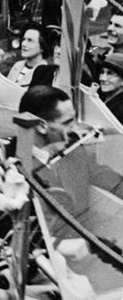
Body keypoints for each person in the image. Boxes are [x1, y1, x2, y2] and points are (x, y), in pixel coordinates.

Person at [18, 85, 123, 230]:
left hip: (85, 242)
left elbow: (115, 183)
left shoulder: (76, 152)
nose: (75, 128)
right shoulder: (11, 163)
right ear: (41, 126)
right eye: (67, 122)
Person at [6, 23, 58, 87]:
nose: (24, 44)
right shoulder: (17, 65)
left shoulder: (46, 73)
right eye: (24, 39)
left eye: (30, 40)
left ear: (42, 46)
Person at [98, 53, 123, 123]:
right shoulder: (105, 98)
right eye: (102, 72)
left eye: (110, 73)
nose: (103, 78)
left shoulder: (120, 110)